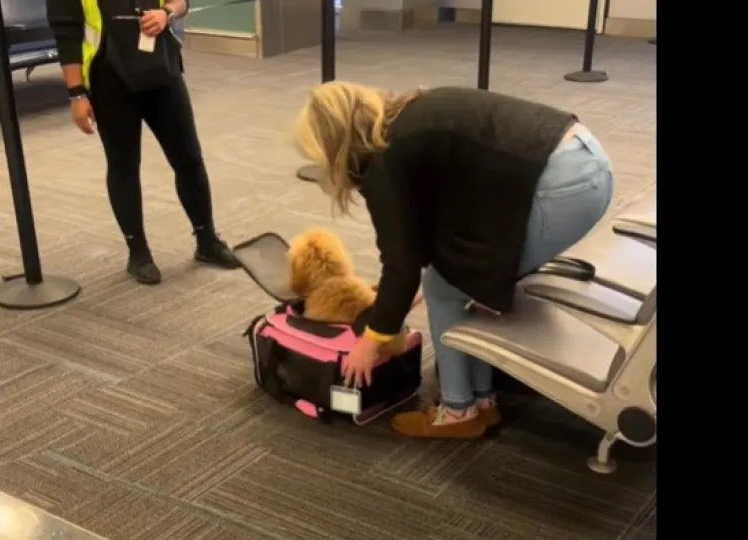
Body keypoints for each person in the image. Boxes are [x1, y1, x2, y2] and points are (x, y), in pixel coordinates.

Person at [294, 82, 614, 439]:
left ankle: (459, 410)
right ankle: (481, 401)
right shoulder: (407, 121)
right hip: (582, 161)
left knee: (444, 286)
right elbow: (432, 225)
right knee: (456, 281)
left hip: (563, 184)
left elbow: (401, 263)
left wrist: (370, 342)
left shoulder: (384, 160)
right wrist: (406, 285)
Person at [47, 0, 239, 284]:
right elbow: (66, 33)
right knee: (123, 164)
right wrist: (76, 94)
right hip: (108, 78)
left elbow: (181, 2)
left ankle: (207, 241)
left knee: (188, 158)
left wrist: (167, 14)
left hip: (160, 67)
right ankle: (138, 253)